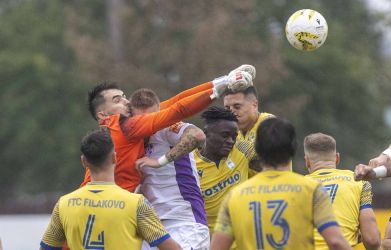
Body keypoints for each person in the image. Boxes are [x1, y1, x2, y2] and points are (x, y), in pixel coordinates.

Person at [80, 66, 254, 192]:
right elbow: (177, 110)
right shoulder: (123, 125)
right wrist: (218, 89)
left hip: (98, 202)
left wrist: (225, 80)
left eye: (125, 97)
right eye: (117, 100)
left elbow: (175, 101)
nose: (126, 101)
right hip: (106, 207)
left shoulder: (120, 126)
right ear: (102, 115)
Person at [210, 118, 352, 250]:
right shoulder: (311, 190)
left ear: (258, 149)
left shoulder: (234, 196)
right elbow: (336, 242)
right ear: (293, 149)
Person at [39, 128, 181, 250]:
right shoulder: (136, 204)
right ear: (114, 158)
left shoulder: (63, 205)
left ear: (84, 161)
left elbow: (46, 247)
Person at [129, 88, 210, 249]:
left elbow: (197, 135)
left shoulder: (166, 128)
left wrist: (160, 161)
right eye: (140, 120)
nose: (147, 125)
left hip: (185, 224)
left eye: (151, 118)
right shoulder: (130, 141)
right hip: (151, 230)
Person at [304, 133, 380, 250]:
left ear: (307, 161)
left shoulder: (297, 186)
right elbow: (372, 240)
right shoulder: (359, 181)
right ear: (337, 158)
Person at [193, 106, 258, 234]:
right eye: (225, 135)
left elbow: (272, 163)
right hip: (207, 240)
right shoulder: (190, 164)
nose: (231, 141)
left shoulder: (241, 149)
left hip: (240, 236)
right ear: (206, 133)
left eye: (234, 136)